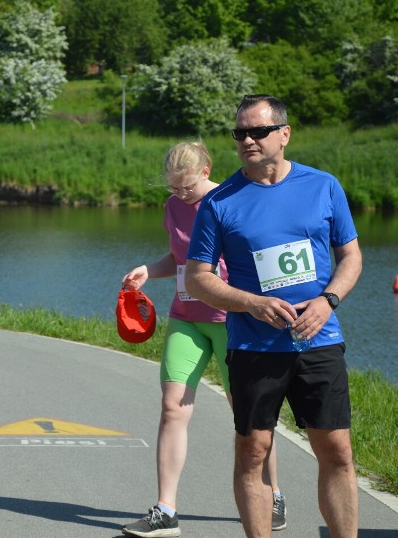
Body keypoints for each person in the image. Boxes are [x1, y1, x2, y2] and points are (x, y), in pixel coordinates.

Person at [185, 94, 362, 538]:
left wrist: (328, 301)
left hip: (317, 340)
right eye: (239, 132)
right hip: (253, 346)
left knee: (337, 451)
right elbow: (197, 279)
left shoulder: (323, 186)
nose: (247, 139)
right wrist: (251, 303)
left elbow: (351, 257)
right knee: (253, 451)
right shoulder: (219, 202)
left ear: (284, 134)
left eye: (257, 131)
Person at [120, 142, 286, 538]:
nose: (181, 194)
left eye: (187, 187)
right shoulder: (172, 206)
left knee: (249, 420)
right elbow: (179, 260)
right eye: (174, 187)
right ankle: (165, 510)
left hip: (232, 322)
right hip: (187, 320)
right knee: (172, 408)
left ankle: (273, 495)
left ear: (207, 169)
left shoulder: (232, 201)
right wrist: (147, 270)